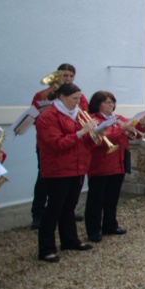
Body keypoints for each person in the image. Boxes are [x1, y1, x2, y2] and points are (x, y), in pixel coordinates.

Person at [34, 82, 96, 262]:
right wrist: (81, 132)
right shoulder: (47, 117)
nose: (78, 102)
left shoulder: (78, 114)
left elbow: (86, 142)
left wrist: (96, 132)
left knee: (69, 206)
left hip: (78, 166)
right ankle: (46, 248)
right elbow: (56, 144)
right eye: (74, 99)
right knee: (54, 208)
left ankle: (70, 240)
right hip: (58, 169)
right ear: (61, 97)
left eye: (79, 98)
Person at [30, 63, 88, 229]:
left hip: (74, 143)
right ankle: (38, 213)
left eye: (71, 76)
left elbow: (84, 114)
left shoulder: (79, 96)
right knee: (44, 179)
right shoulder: (43, 95)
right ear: (58, 77)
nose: (68, 79)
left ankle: (67, 212)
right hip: (51, 143)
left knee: (71, 185)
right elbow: (35, 117)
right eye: (65, 76)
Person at [84, 91, 145, 242]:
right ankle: (93, 230)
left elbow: (135, 134)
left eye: (112, 102)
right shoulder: (92, 120)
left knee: (112, 198)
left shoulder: (118, 118)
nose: (110, 105)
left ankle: (110, 225)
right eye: (107, 102)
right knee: (96, 199)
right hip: (101, 164)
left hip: (119, 163)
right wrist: (122, 130)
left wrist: (141, 125)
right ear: (98, 104)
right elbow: (100, 138)